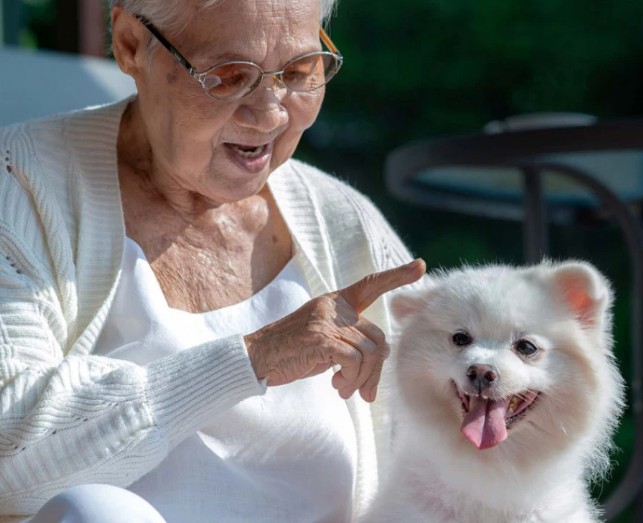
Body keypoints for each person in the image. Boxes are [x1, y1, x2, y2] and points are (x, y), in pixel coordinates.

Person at [0, 0, 425, 521]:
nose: (270, 111)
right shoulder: (19, 185)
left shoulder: (344, 223)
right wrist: (254, 358)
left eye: (299, 71)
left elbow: (463, 440)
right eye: (229, 76)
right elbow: (8, 454)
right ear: (132, 44)